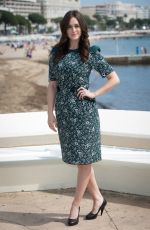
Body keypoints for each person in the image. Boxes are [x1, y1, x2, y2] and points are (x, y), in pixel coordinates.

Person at [47, 10, 120, 226]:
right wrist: (49, 113)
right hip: (65, 113)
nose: (73, 29)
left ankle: (75, 205)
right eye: (70, 26)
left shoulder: (89, 53)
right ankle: (98, 199)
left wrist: (94, 93)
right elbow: (52, 85)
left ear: (82, 28)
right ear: (64, 29)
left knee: (84, 161)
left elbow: (114, 78)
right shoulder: (56, 54)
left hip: (85, 114)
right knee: (82, 161)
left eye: (77, 25)